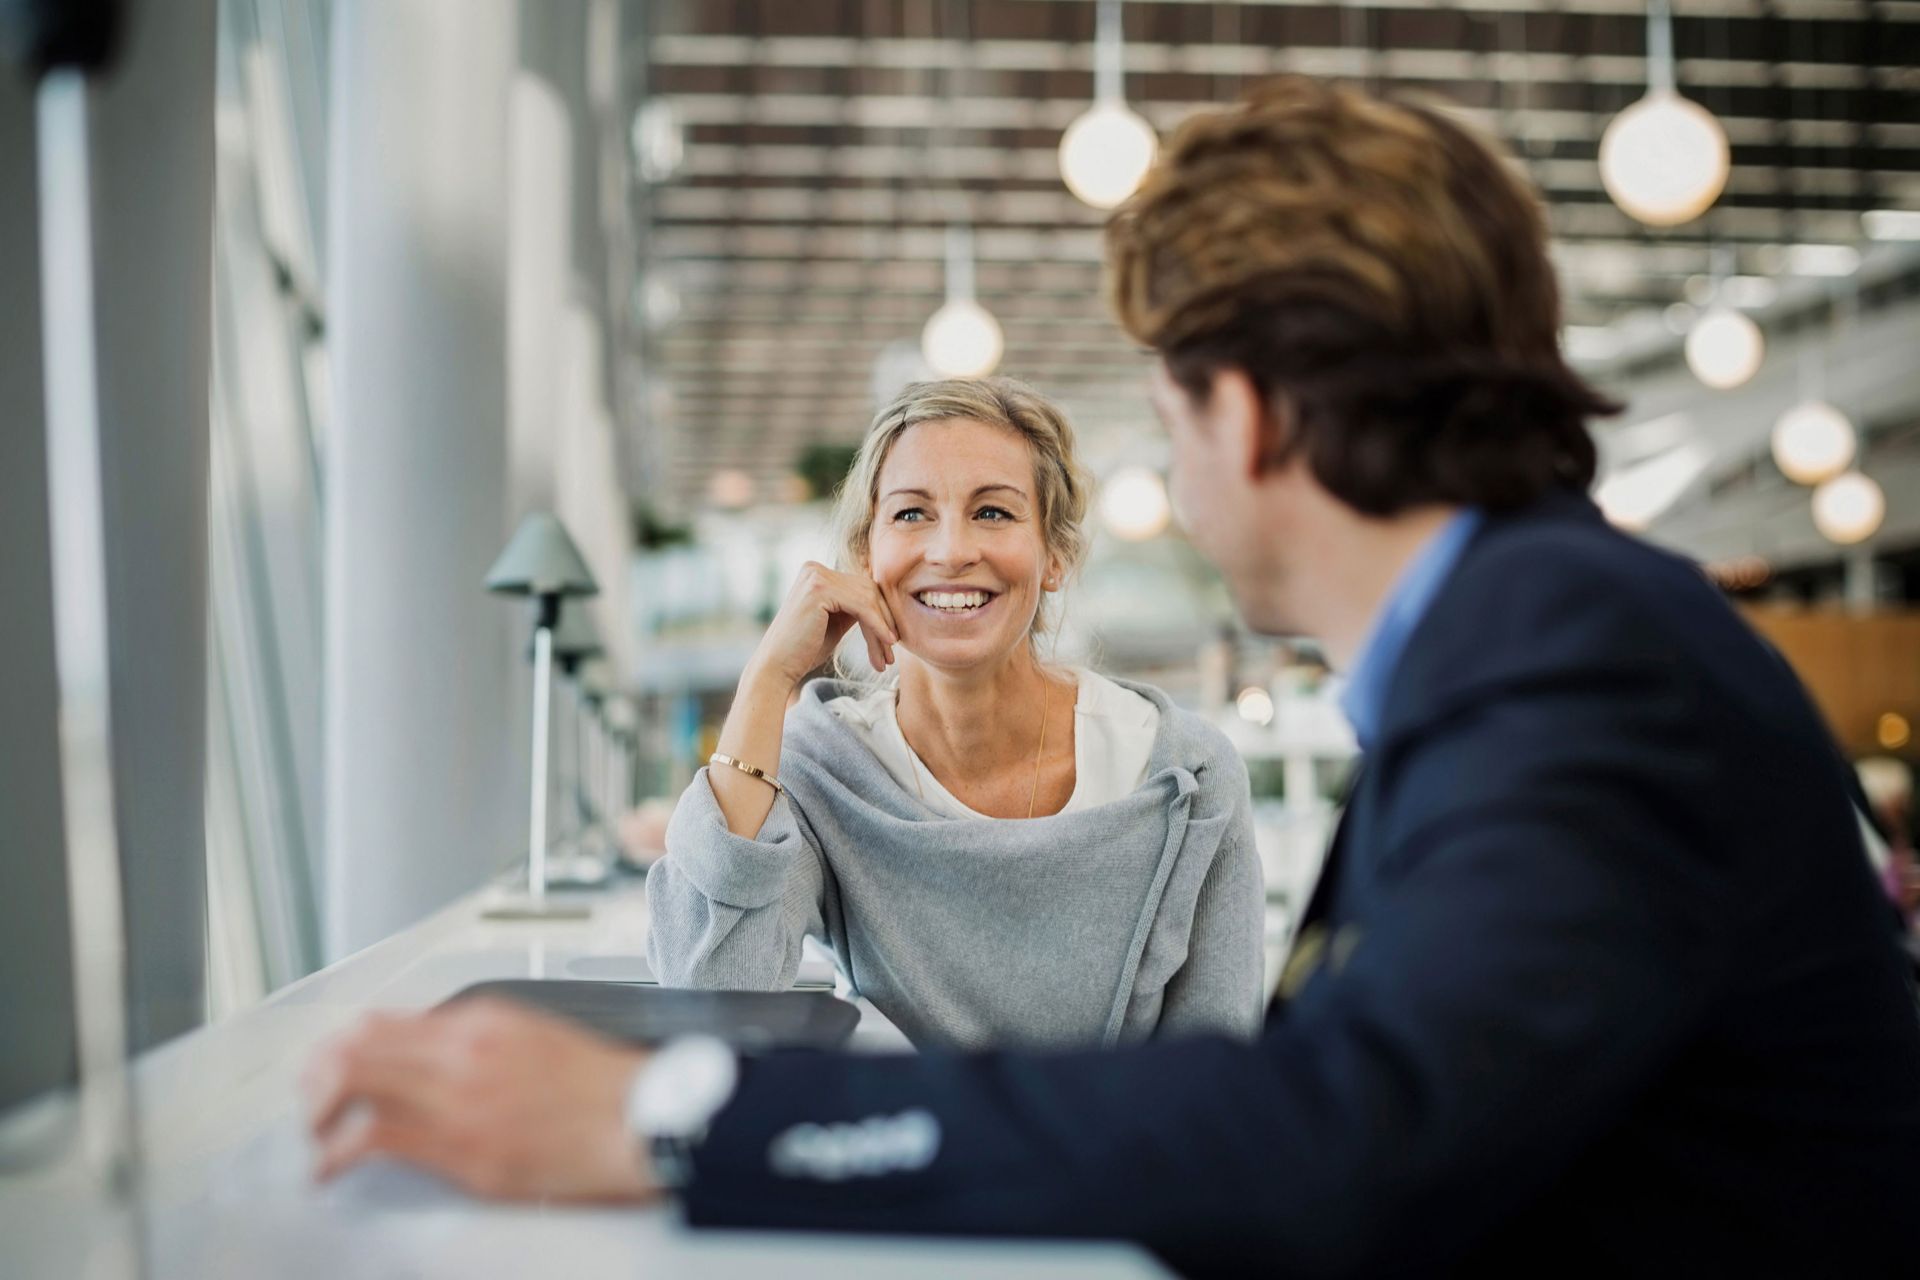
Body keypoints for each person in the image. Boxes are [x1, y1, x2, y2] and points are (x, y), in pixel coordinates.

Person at [305, 77, 1920, 1275]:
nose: (1180, 471)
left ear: (1256, 413)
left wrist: (671, 1123)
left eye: (1171, 414)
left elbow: (1333, 1132)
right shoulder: (1547, 634)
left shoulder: (1576, 669)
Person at [645, 376, 1267, 1050]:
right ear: (866, 556)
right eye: (911, 514)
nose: (949, 551)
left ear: (1053, 555)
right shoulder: (818, 772)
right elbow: (710, 1001)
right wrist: (767, 678)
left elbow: (1219, 1083)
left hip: (1122, 1156)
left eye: (993, 513)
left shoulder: (1188, 774)